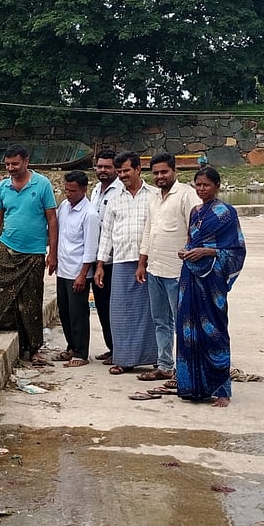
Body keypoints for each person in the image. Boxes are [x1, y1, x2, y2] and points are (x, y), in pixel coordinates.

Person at [0, 144, 58, 365]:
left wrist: (52, 253)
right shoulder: (3, 187)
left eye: (15, 164)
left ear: (26, 161)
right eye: (7, 164)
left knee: (31, 301)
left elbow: (52, 221)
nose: (11, 168)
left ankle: (34, 349)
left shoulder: (42, 184)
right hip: (6, 245)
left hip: (34, 252)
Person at [174, 166, 246, 407]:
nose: (201, 189)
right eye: (198, 185)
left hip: (212, 281)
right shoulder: (195, 212)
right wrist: (186, 251)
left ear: (217, 186)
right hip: (190, 277)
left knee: (214, 330)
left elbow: (236, 250)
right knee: (187, 329)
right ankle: (192, 386)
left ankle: (222, 390)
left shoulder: (227, 213)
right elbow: (190, 239)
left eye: (205, 185)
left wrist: (208, 251)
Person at [136, 153, 201, 382]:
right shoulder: (154, 198)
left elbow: (198, 228)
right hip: (155, 269)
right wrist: (142, 263)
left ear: (174, 171)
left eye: (164, 172)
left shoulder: (186, 195)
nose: (160, 176)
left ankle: (186, 370)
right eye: (155, 173)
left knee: (182, 323)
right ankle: (165, 366)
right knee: (160, 321)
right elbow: (148, 230)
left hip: (178, 272)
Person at [94, 152, 159, 375]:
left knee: (150, 313)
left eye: (126, 171)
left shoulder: (154, 195)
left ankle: (157, 359)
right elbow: (107, 234)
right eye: (119, 171)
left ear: (139, 169)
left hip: (150, 262)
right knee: (120, 313)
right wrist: (100, 265)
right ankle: (124, 359)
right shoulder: (114, 197)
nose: (122, 175)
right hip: (121, 261)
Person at [54, 170, 101, 367]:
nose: (68, 194)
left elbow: (90, 248)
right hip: (63, 269)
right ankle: (71, 347)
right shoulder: (64, 206)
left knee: (78, 313)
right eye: (66, 190)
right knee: (64, 312)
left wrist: (83, 275)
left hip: (78, 272)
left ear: (83, 189)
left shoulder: (90, 214)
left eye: (73, 190)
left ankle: (81, 353)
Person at [89, 149, 122, 362]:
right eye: (99, 166)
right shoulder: (95, 191)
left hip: (114, 259)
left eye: (107, 167)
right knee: (101, 306)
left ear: (116, 169)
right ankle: (112, 347)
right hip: (96, 259)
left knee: (116, 308)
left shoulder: (120, 191)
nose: (102, 170)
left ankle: (121, 350)